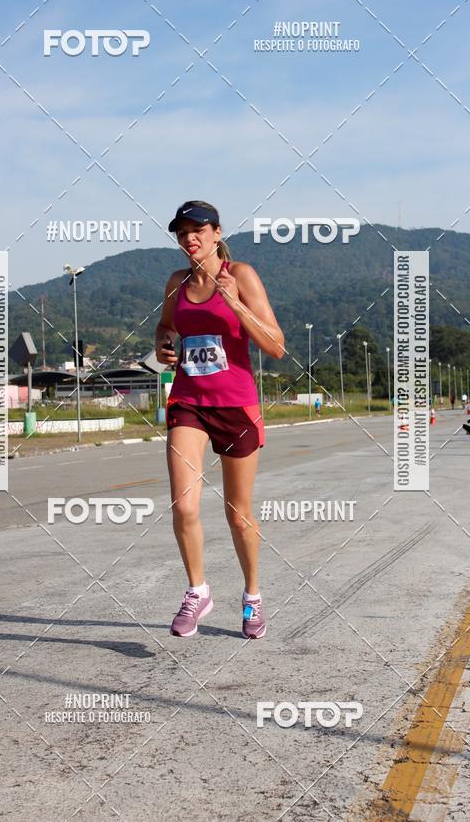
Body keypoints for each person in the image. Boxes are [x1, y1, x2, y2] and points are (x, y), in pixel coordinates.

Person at [155, 200, 284, 639]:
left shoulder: (241, 275)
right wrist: (164, 345)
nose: (189, 238)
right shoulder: (177, 282)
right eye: (181, 232)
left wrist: (235, 303)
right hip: (189, 401)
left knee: (238, 513)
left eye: (197, 229)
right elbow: (165, 327)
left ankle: (252, 597)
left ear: (216, 232)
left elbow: (276, 346)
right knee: (184, 503)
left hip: (236, 406)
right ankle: (198, 591)